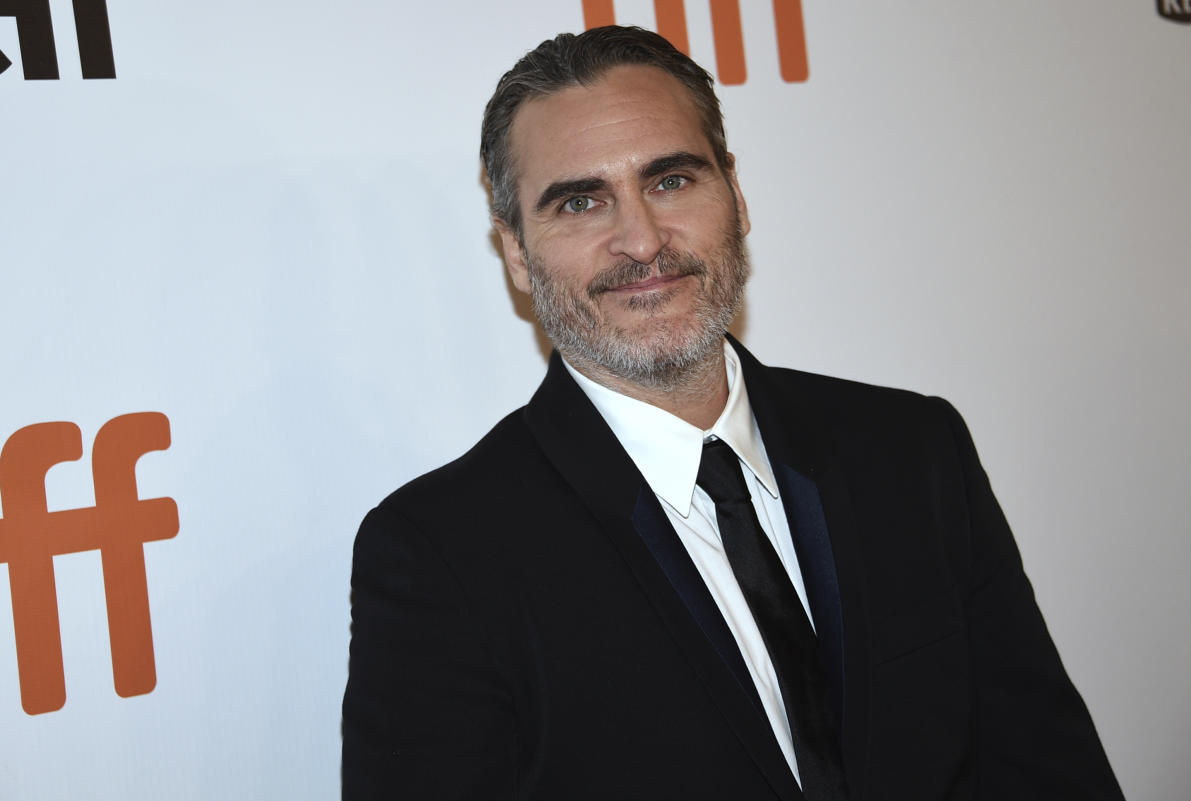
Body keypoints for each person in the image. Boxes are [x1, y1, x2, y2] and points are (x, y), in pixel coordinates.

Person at [342, 26, 1124, 801]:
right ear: (516, 252)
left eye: (671, 181)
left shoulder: (913, 452)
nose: (642, 240)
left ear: (735, 193)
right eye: (582, 201)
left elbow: (1049, 769)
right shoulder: (441, 553)